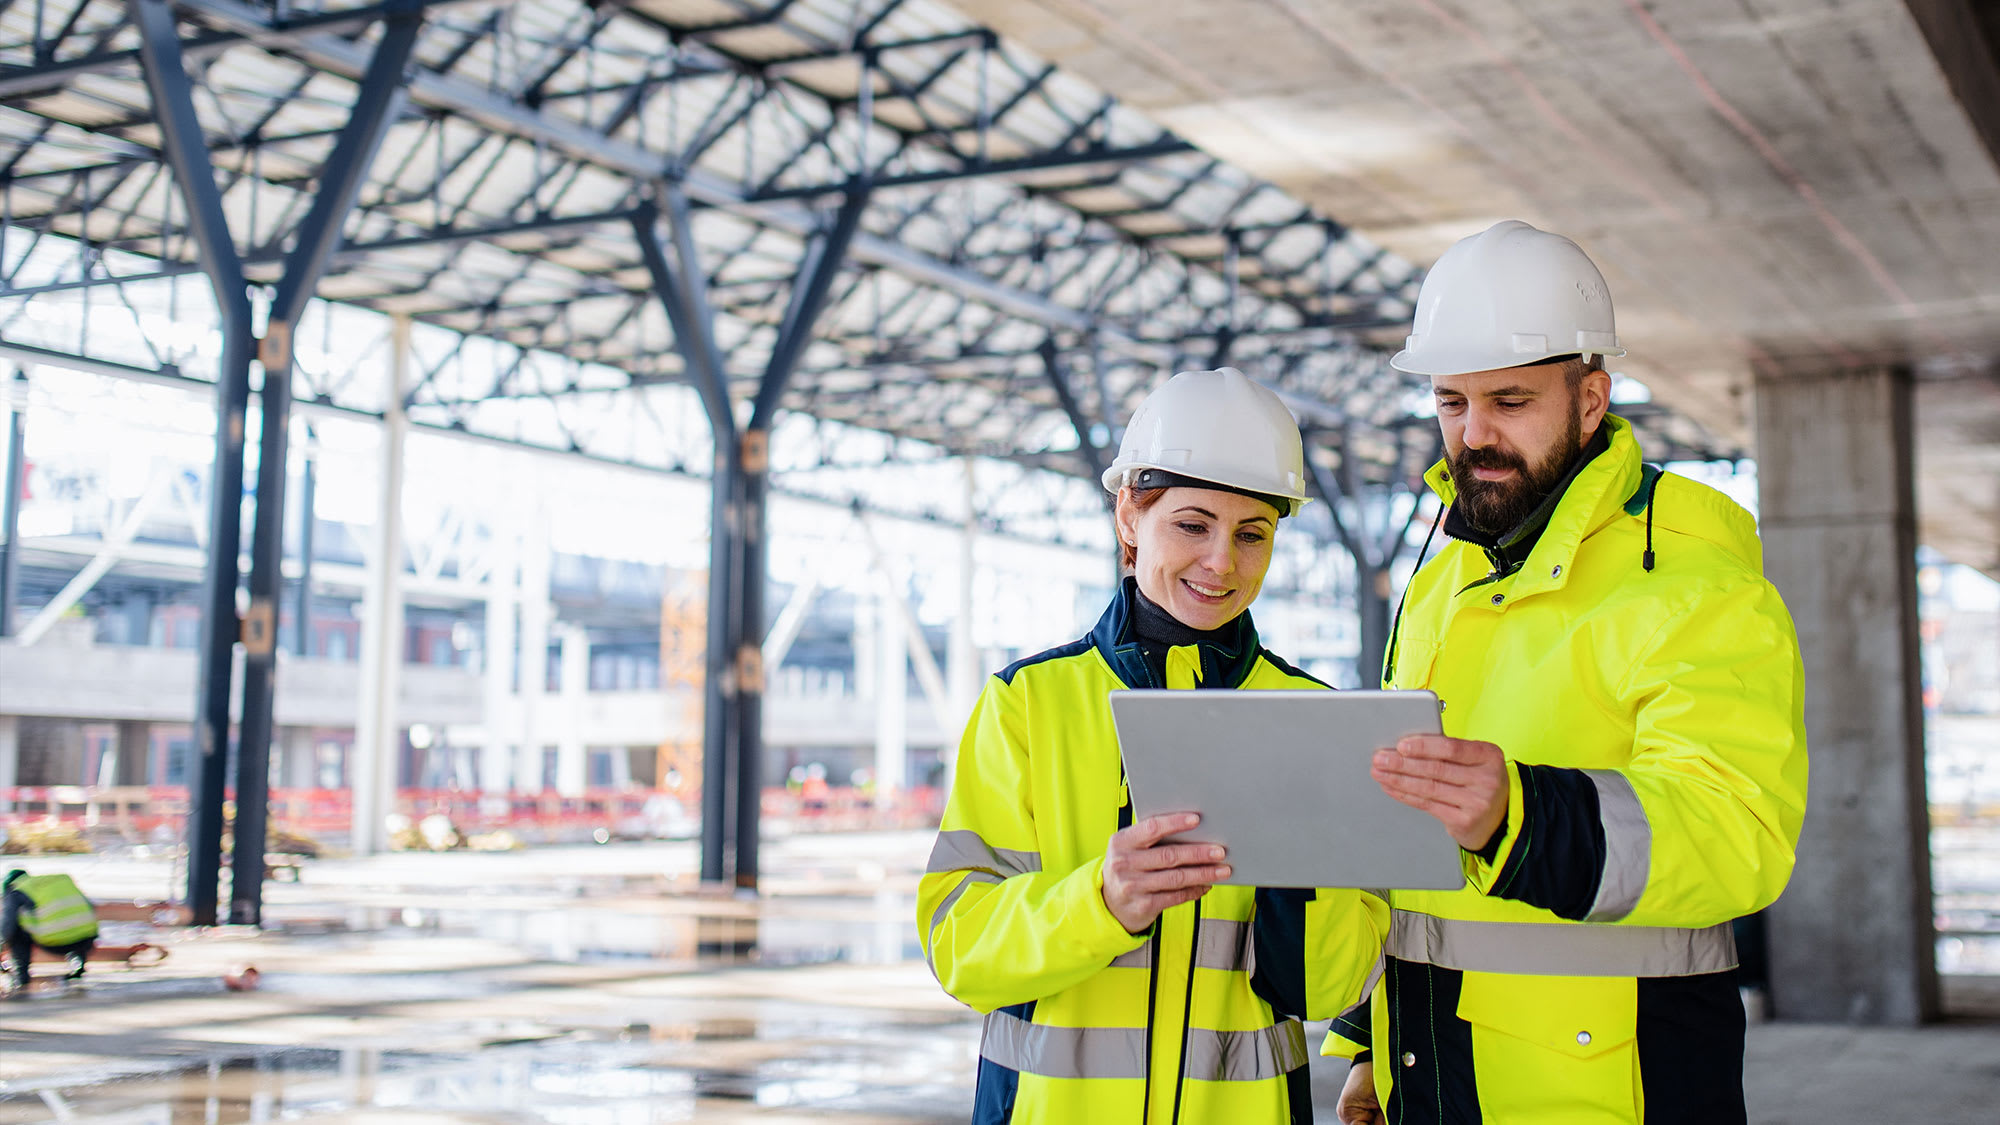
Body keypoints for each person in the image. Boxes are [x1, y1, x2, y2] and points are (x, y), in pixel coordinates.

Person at [1291, 220, 1808, 1124]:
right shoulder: (1444, 575)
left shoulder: (1693, 585)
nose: (1473, 433)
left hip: (1614, 1087)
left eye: (1511, 400)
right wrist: (1370, 1047)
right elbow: (1404, 850)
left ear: (1591, 399)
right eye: (1451, 402)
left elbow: (1737, 834)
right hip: (1430, 1071)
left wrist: (1518, 815)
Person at [918, 368, 1389, 1125]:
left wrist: (1304, 874)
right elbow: (960, 945)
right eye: (1193, 524)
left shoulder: (1313, 718)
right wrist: (1098, 901)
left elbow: (1332, 989)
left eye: (1251, 535)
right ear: (1130, 518)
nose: (1221, 563)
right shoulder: (1029, 704)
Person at [3, 868, 99, 994]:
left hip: (55, 941)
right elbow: (89, 906)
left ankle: (21, 976)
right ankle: (77, 965)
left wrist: (2, 946)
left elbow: (8, 927)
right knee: (73, 925)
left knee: (17, 931)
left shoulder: (17, 890)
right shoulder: (62, 880)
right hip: (87, 938)